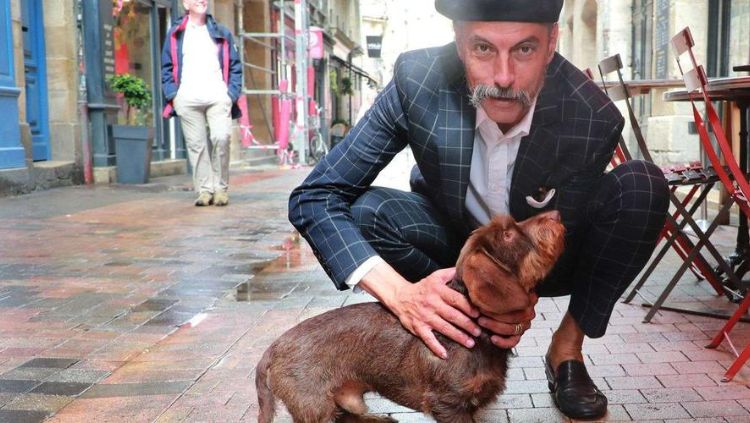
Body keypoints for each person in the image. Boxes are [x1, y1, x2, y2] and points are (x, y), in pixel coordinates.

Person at [288, 0, 669, 419]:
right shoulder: (418, 80)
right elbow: (316, 195)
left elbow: (567, 225)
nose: (503, 78)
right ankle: (444, 327)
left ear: (551, 43)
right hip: (451, 249)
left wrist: (519, 304)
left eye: (524, 49)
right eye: (483, 49)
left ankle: (566, 349)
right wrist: (403, 295)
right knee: (368, 212)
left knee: (642, 186)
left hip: (536, 255)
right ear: (458, 42)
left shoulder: (591, 115)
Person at [161, 0, 242, 206]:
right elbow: (166, 68)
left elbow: (235, 65)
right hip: (187, 98)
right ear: (186, 4)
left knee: (221, 137)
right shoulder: (175, 34)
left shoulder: (221, 32)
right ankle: (205, 190)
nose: (202, 0)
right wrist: (173, 95)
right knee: (197, 146)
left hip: (217, 96)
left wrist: (230, 94)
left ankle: (221, 188)